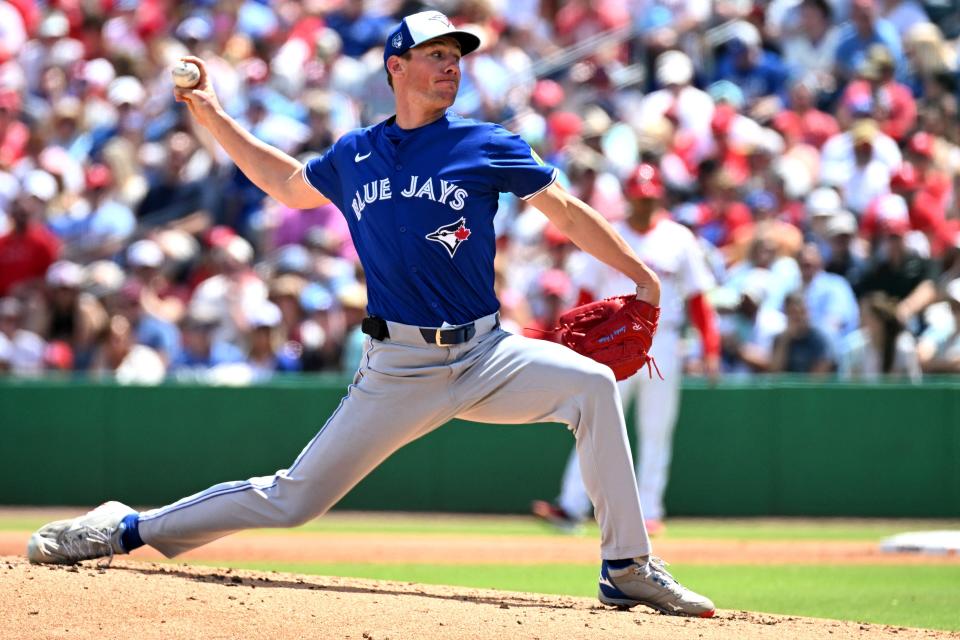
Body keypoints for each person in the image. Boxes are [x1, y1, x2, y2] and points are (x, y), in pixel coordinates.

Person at [26, 11, 715, 618]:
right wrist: (211, 114)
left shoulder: (484, 144)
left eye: (457, 57)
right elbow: (285, 184)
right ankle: (126, 529)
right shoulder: (356, 153)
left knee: (594, 386)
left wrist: (641, 274)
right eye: (436, 55)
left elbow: (566, 211)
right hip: (399, 367)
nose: (451, 67)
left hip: (486, 353)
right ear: (396, 67)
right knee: (292, 500)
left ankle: (626, 568)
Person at [533, 163, 719, 536]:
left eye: (649, 198)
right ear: (629, 196)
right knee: (593, 421)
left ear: (659, 197)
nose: (644, 204)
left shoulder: (678, 238)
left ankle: (650, 511)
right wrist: (574, 342)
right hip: (611, 341)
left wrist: (709, 347)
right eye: (638, 196)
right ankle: (571, 506)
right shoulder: (610, 233)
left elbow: (699, 298)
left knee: (656, 428)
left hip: (662, 339)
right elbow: (585, 293)